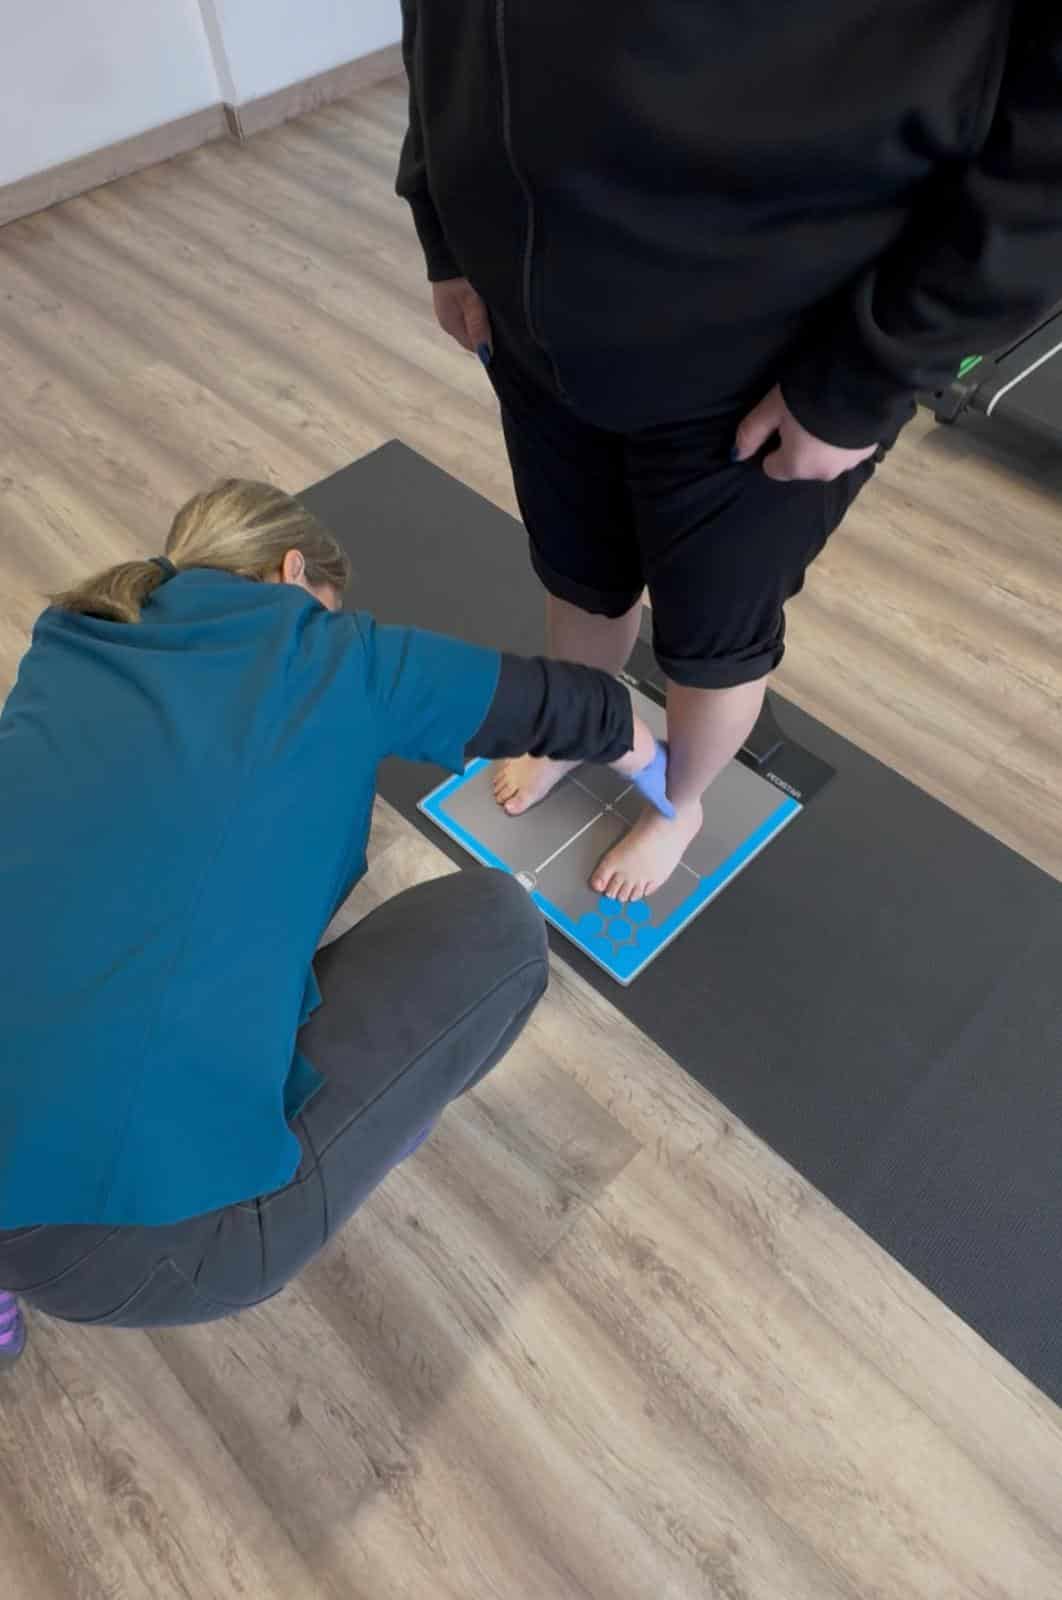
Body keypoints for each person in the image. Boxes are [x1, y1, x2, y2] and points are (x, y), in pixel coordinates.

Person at [397, 2, 1062, 900]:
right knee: (577, 575)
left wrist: (868, 375)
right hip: (536, 318)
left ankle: (678, 803)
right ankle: (573, 730)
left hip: (764, 363)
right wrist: (441, 217)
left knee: (709, 646)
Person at [0, 479, 663, 1369]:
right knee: (498, 927)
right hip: (140, 1246)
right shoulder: (330, 652)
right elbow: (569, 705)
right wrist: (674, 784)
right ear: (292, 572)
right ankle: (378, 1122)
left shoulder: (71, 638)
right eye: (330, 602)